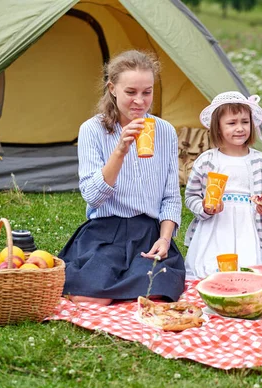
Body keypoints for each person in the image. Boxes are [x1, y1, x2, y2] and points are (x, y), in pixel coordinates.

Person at [59, 50, 185, 305]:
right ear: (113, 88)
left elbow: (171, 196)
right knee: (88, 299)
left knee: (156, 294)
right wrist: (120, 150)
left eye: (147, 92)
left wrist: (164, 238)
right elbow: (93, 197)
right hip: (105, 231)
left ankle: (124, 290)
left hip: (147, 232)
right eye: (131, 92)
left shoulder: (165, 131)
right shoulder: (92, 130)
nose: (139, 101)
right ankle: (110, 288)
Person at [183, 91, 262, 279]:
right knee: (209, 269)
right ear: (217, 128)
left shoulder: (261, 161)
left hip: (248, 225)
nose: (240, 128)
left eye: (245, 122)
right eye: (232, 123)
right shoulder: (206, 160)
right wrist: (205, 208)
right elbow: (191, 196)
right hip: (215, 224)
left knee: (249, 271)